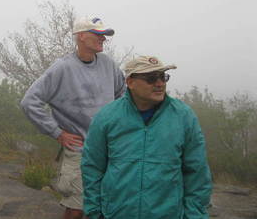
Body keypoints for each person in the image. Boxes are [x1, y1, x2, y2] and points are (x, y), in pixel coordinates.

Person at [81, 55, 212, 219]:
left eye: (163, 77)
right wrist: (94, 212)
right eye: (151, 78)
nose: (160, 84)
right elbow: (92, 167)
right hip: (116, 213)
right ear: (130, 82)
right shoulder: (107, 117)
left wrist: (195, 215)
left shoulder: (183, 117)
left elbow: (197, 172)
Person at [21, 16, 126, 219]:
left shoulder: (108, 64)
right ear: (81, 36)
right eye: (98, 34)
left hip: (110, 148)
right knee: (76, 207)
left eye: (104, 35)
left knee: (107, 203)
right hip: (80, 149)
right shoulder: (62, 68)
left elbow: (123, 93)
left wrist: (119, 124)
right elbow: (29, 102)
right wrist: (57, 133)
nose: (103, 39)